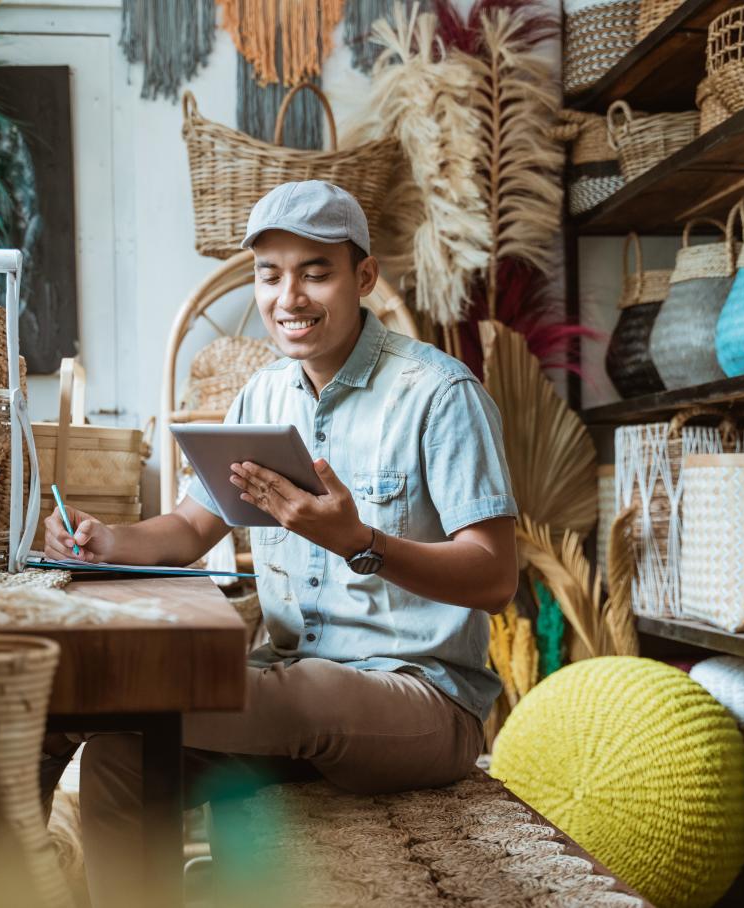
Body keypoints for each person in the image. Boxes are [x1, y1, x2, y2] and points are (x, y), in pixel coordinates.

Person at [41, 180, 518, 904]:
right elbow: (189, 529)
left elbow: (495, 577)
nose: (287, 296)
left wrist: (359, 541)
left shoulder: (439, 395)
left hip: (424, 705)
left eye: (315, 271)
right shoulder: (260, 397)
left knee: (301, 691)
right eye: (270, 275)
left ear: (363, 277)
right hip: (297, 698)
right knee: (118, 758)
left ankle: (72, 712)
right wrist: (106, 538)